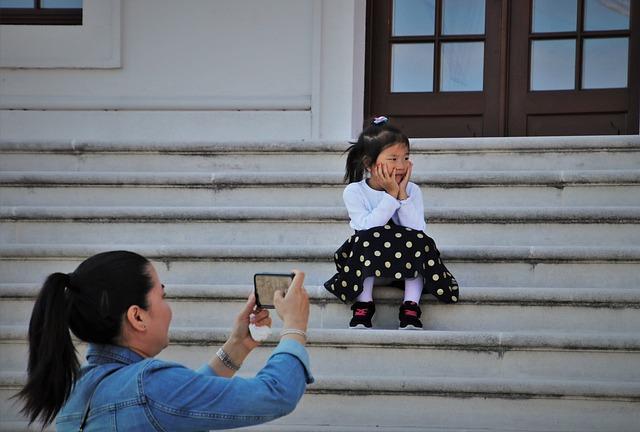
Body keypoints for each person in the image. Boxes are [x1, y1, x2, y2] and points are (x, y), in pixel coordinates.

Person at [14, 250, 313, 431]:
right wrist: (295, 327)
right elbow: (276, 395)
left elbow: (175, 404)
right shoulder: (150, 385)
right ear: (137, 317)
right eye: (162, 295)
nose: (168, 306)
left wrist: (237, 345)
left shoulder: (76, 389)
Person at [324, 116, 459, 329]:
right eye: (393, 159)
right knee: (365, 238)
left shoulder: (412, 190)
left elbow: (417, 229)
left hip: (405, 263)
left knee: (419, 240)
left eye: (406, 158)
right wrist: (390, 195)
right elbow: (365, 227)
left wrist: (402, 195)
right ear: (369, 163)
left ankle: (410, 306)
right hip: (367, 264)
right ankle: (364, 304)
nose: (402, 165)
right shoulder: (355, 191)